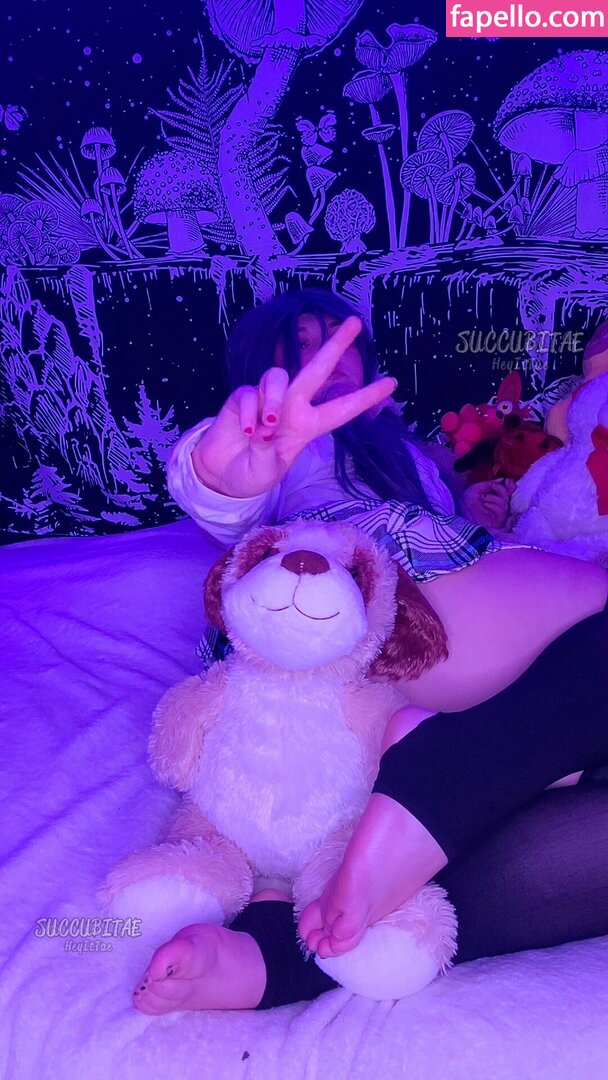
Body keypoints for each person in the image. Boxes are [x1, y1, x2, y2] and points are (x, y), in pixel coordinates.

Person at [132, 289, 608, 1015]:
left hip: (385, 683)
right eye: (301, 341)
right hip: (368, 609)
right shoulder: (291, 448)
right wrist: (217, 477)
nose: (328, 354)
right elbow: (226, 493)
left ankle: (282, 955)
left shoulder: (406, 449)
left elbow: (451, 526)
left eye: (341, 337)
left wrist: (467, 506)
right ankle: (442, 773)